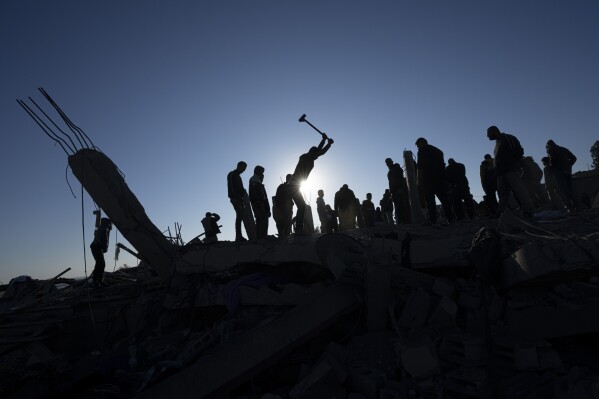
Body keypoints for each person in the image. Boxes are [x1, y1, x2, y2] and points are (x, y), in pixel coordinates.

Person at [486, 126, 534, 217]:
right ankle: (501, 212)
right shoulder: (497, 143)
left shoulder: (508, 138)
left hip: (511, 170)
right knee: (502, 194)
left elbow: (519, 151)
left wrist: (514, 163)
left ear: (494, 132)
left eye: (489, 134)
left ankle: (528, 210)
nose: (488, 137)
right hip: (500, 173)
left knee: (519, 190)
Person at [290, 135, 334, 234]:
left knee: (301, 206)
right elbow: (320, 152)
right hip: (293, 185)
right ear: (312, 153)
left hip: (295, 185)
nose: (317, 157)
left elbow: (318, 151)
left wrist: (323, 140)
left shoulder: (308, 157)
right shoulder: (306, 157)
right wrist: (328, 144)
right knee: (301, 206)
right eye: (316, 155)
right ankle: (298, 229)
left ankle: (298, 228)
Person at [415, 137, 453, 224]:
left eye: (418, 145)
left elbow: (420, 167)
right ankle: (450, 219)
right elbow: (443, 166)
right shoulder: (438, 151)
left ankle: (433, 220)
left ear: (422, 143)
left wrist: (419, 180)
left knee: (430, 200)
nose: (417, 147)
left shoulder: (422, 151)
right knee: (444, 200)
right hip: (440, 179)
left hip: (428, 180)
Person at [546, 139, 577, 211]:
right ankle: (575, 206)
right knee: (569, 189)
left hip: (559, 172)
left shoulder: (551, 150)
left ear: (548, 146)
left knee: (563, 190)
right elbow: (574, 158)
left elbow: (553, 160)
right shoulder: (564, 149)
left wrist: (550, 167)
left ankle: (571, 207)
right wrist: (569, 165)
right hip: (568, 171)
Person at [384, 158, 411, 224]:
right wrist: (391, 192)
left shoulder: (396, 169)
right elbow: (391, 183)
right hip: (394, 192)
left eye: (389, 162)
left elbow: (400, 180)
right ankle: (401, 221)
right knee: (398, 207)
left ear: (392, 162)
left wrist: (400, 189)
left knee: (401, 206)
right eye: (387, 163)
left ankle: (404, 221)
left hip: (398, 190)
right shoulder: (391, 171)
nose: (388, 164)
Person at [227, 161, 248, 242]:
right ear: (239, 166)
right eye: (244, 168)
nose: (244, 170)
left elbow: (240, 188)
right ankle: (238, 236)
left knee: (240, 216)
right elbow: (232, 187)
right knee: (239, 215)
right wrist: (237, 197)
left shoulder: (237, 176)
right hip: (236, 198)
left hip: (239, 198)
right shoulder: (232, 174)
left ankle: (239, 236)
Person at [90, 211, 112, 287]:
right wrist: (98, 214)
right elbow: (97, 225)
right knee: (101, 264)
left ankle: (97, 281)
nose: (110, 226)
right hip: (96, 246)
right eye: (109, 224)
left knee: (99, 264)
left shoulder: (106, 229)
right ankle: (96, 281)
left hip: (98, 247)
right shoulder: (100, 228)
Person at [249, 165, 271, 239]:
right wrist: (258, 202)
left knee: (259, 219)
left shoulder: (256, 180)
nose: (263, 174)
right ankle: (262, 236)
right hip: (258, 202)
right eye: (262, 172)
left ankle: (260, 236)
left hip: (258, 202)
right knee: (262, 218)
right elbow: (257, 192)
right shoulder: (255, 179)